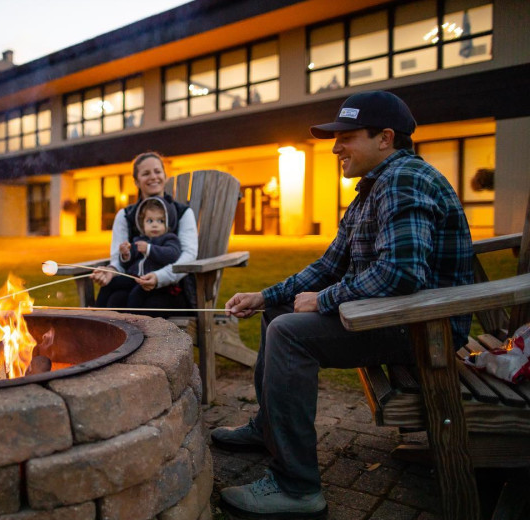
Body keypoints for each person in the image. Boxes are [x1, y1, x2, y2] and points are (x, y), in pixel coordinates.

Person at [212, 90, 474, 519]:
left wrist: (327, 299)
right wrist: (265, 296)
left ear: (385, 137)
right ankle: (269, 429)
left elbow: (401, 274)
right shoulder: (371, 190)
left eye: (346, 137)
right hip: (397, 316)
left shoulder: (405, 179)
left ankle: (297, 488)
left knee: (289, 334)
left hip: (427, 328)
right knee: (276, 314)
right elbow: (328, 265)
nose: (335, 148)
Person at [91, 151, 198, 314]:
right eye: (146, 173)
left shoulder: (183, 212)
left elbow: (188, 256)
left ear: (165, 175)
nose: (153, 177)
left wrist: (159, 277)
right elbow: (118, 260)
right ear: (136, 181)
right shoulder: (126, 215)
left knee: (147, 305)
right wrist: (111, 271)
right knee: (115, 299)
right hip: (134, 282)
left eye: (157, 171)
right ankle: (94, 332)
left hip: (172, 287)